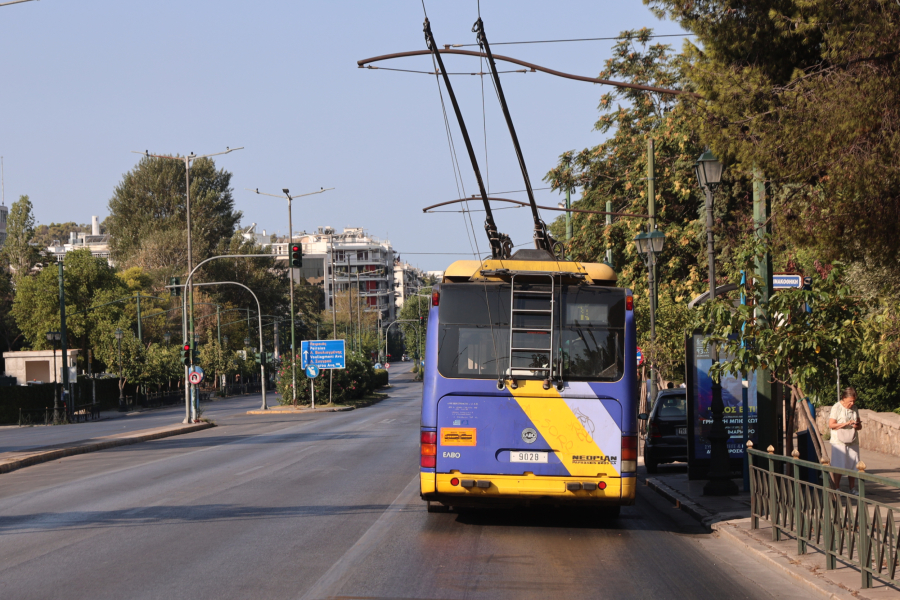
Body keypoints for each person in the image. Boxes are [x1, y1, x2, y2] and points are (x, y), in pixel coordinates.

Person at [828, 387, 863, 495]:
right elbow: (831, 425)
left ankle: (852, 488)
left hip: (852, 439)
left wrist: (856, 425)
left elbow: (859, 426)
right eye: (850, 401)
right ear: (844, 398)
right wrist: (846, 423)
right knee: (839, 464)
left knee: (853, 463)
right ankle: (836, 487)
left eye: (853, 401)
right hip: (839, 441)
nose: (852, 403)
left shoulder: (855, 408)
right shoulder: (837, 407)